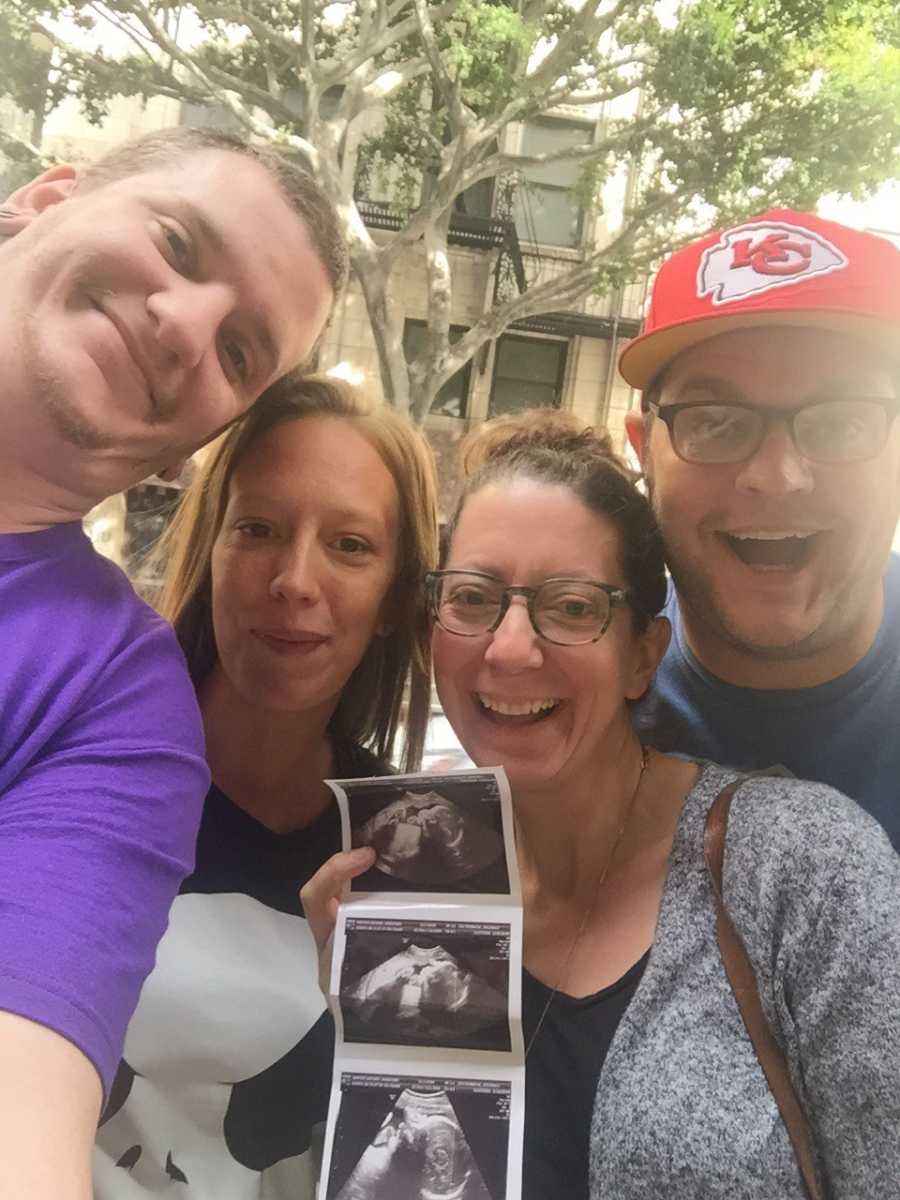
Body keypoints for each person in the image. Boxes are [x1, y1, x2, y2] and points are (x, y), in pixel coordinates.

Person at [303, 410, 900, 1200]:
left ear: (643, 656)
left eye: (574, 607)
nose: (510, 648)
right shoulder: (410, 878)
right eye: (475, 597)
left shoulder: (807, 865)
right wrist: (362, 1016)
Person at [0, 126, 344, 1197]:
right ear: (45, 196)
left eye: (242, 350)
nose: (186, 326)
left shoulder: (115, 713)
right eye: (177, 242)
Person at [94, 375, 439, 1197]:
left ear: (395, 597)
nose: (294, 579)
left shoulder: (418, 848)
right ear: (210, 549)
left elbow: (426, 1157)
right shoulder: (82, 756)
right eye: (258, 528)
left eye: (350, 545)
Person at [619, 209, 900, 847]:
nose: (778, 477)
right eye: (715, 421)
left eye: (843, 422)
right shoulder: (574, 697)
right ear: (642, 451)